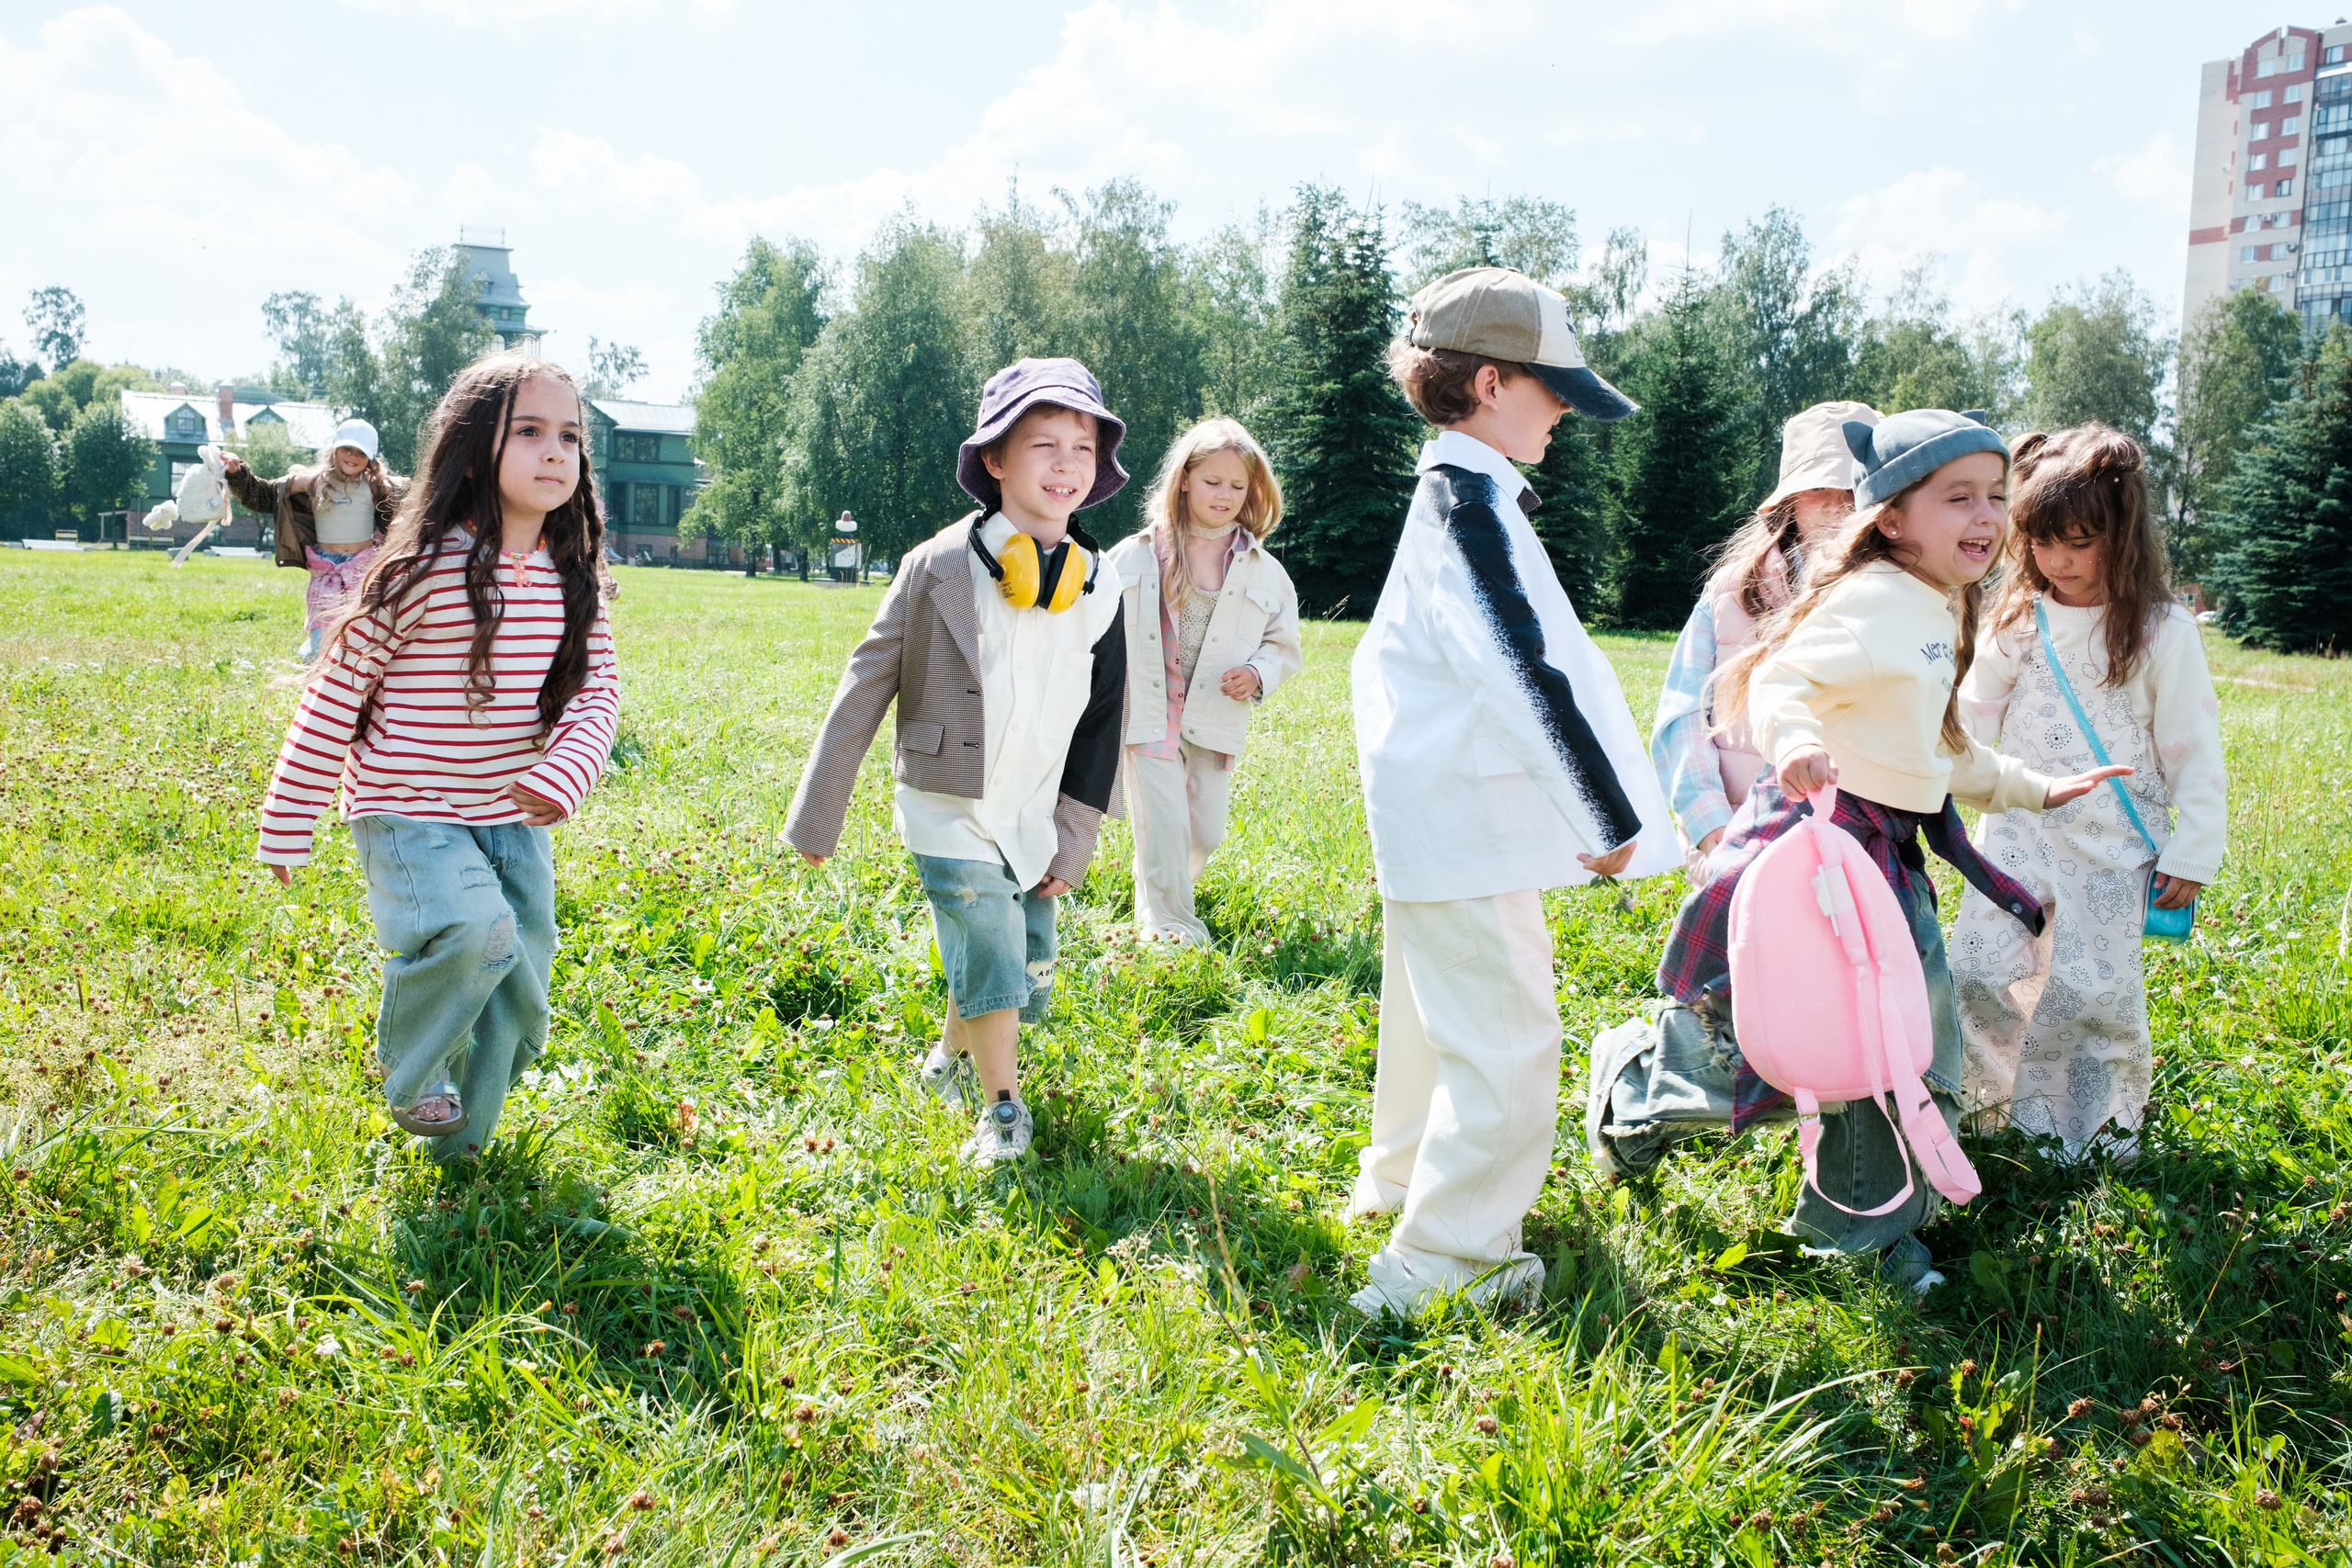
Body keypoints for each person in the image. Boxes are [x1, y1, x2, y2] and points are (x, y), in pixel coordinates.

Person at [1586, 411, 2130, 1289]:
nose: (1987, 516)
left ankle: (1869, 1233)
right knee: (1760, 1044)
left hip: (1887, 866)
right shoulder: (1873, 600)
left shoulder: (1938, 602)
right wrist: (1795, 738)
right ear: (1891, 518)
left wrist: (2031, 786)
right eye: (1958, 497)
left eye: (1995, 496)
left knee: (1899, 1049)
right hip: (1818, 851)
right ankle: (1634, 1091)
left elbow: (1940, 747)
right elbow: (1780, 679)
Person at [1350, 267, 1675, 1315]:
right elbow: (1518, 668)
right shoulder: (1467, 513)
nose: (1568, 409)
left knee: (1432, 1022)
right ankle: (1444, 1264)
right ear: (1490, 381)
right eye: (1554, 387)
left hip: (1442, 822)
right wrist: (1609, 822)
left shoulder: (1457, 498)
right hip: (1468, 826)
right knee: (1505, 1039)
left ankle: (1398, 1182)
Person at [256, 355, 618, 1162]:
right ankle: (411, 1066)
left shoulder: (572, 578)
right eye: (528, 431)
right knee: (479, 933)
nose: (554, 451)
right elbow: (337, 687)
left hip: (510, 820)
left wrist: (567, 769)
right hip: (408, 808)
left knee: (518, 999)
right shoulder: (419, 566)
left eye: (569, 435)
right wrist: (289, 816)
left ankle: (461, 1160)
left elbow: (599, 694)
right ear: (471, 445)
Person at [784, 358, 1128, 1167]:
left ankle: (948, 1058)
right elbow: (864, 683)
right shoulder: (937, 565)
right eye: (1042, 444)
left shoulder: (1103, 584)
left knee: (1011, 947)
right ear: (996, 461)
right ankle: (1004, 1107)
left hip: (1034, 810)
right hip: (946, 803)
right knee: (987, 934)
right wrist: (818, 812)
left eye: (1082, 446)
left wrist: (1075, 835)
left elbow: (1108, 717)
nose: (1065, 463)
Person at [1950, 424, 2225, 1160]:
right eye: (2041, 541)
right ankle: (1986, 1109)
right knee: (1974, 967)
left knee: (2092, 991)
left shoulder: (2163, 630)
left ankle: (2090, 1131)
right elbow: (1971, 714)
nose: (2058, 561)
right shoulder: (2018, 618)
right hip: (2014, 831)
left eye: (2078, 541)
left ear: (2123, 533)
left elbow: (2193, 748)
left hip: (2114, 846)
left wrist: (2194, 848)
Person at [1651, 400, 1879, 881]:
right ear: (1789, 502)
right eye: (1819, 490)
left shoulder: (1895, 600)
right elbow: (1682, 713)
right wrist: (1714, 829)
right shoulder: (1730, 593)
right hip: (1733, 839)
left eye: (1852, 491)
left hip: (1851, 849)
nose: (1839, 508)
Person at [1104, 417, 1302, 945]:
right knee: (1165, 826)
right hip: (1151, 713)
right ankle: (1169, 926)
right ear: (1185, 479)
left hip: (1214, 717)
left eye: (1238, 486)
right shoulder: (1136, 554)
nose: (1225, 495)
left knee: (1205, 832)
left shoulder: (1263, 570)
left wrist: (1258, 672)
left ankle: (1162, 892)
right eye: (1213, 482)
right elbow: (1092, 627)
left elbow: (1283, 645)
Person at [221, 419, 405, 662]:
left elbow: (421, 500)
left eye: (361, 453)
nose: (352, 456)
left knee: (361, 639)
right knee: (320, 649)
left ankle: (354, 690)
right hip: (326, 571)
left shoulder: (377, 486)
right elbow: (263, 494)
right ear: (335, 450)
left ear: (370, 458)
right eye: (347, 449)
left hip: (364, 569)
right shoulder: (314, 481)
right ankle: (312, 657)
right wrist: (236, 472)